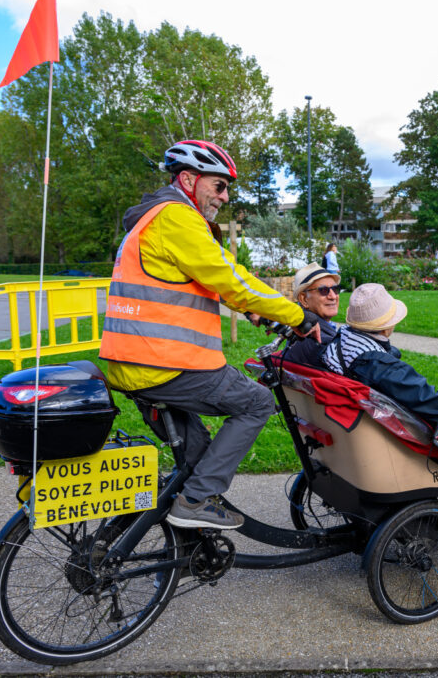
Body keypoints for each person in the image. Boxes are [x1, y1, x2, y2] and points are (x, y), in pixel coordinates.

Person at [99, 140, 320, 530]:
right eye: (219, 186)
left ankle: (189, 534)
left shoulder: (152, 219)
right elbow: (232, 280)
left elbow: (204, 283)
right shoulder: (175, 217)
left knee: (198, 452)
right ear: (188, 179)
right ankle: (196, 503)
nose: (225, 196)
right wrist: (299, 315)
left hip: (132, 359)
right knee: (255, 403)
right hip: (162, 363)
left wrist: (255, 310)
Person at [321, 283, 438, 432]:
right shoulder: (379, 365)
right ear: (387, 327)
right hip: (379, 433)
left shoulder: (342, 338)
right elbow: (427, 399)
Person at [283, 262, 341, 366]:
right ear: (304, 299)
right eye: (323, 290)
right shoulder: (324, 342)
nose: (333, 296)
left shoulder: (300, 330)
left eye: (335, 289)